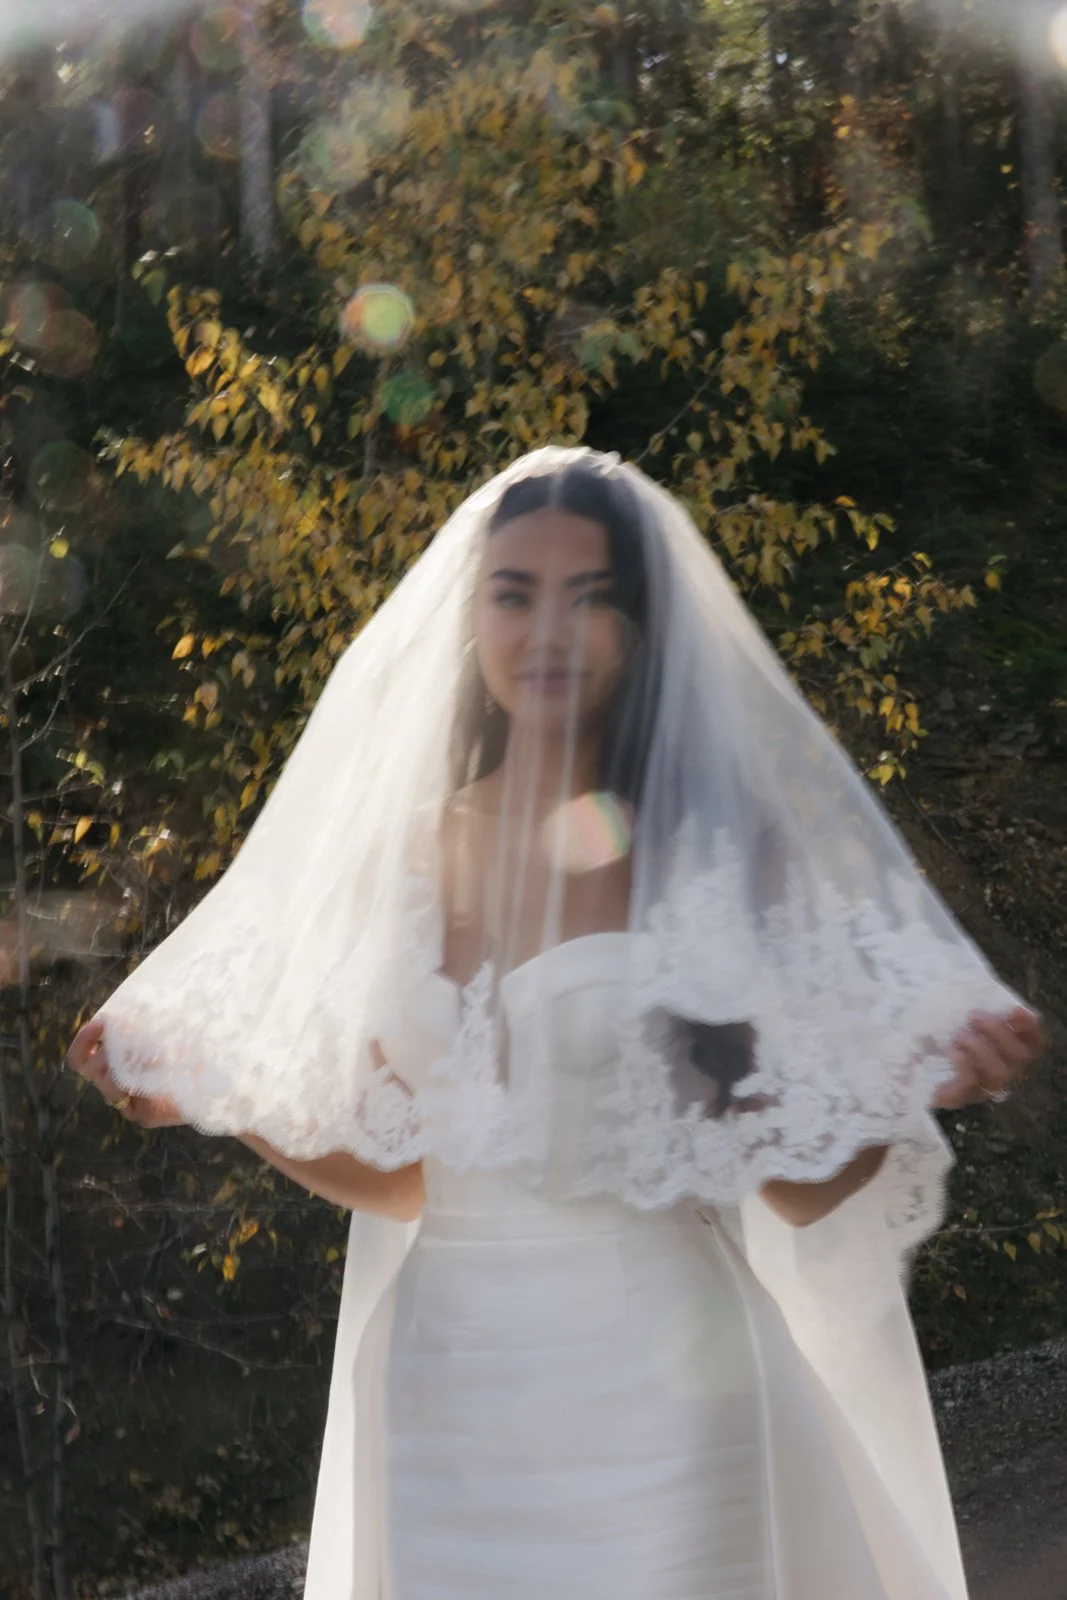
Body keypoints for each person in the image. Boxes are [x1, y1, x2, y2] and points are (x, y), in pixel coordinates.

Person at [68, 447, 1042, 1600]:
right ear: (471, 617)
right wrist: (219, 1102)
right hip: (443, 1399)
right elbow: (404, 1180)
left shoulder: (721, 856)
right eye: (513, 593)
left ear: (638, 628)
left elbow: (791, 1186)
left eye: (589, 599)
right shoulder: (411, 852)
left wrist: (895, 1088)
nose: (545, 632)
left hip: (672, 1396)